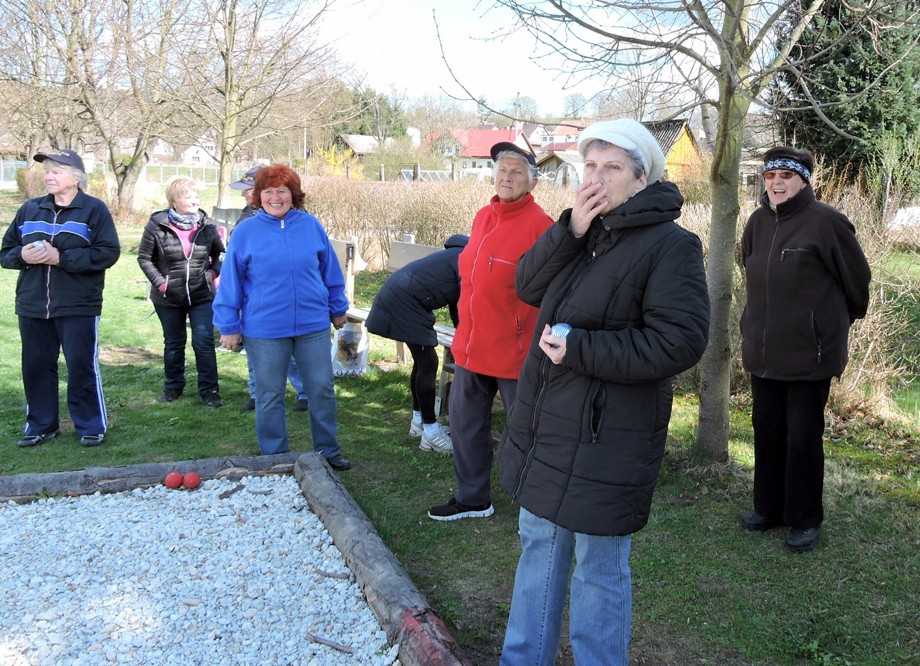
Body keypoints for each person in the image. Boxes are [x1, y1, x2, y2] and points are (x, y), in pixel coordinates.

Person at [498, 119, 710, 665]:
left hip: (606, 440)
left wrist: (583, 349)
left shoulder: (671, 246)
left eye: (612, 167)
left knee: (599, 569)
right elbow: (526, 285)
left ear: (641, 180)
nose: (597, 176)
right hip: (547, 426)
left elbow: (680, 343)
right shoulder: (582, 232)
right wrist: (568, 229)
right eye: (590, 165)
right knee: (538, 553)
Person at [739, 146, 871, 553]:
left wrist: (823, 326)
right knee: (767, 430)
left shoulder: (827, 223)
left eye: (786, 175)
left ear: (803, 180)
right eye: (770, 176)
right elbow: (749, 269)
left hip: (809, 357)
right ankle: (769, 508)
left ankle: (805, 518)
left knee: (802, 438)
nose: (776, 183)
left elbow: (857, 284)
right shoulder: (758, 223)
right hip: (763, 354)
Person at [427, 142, 553, 520]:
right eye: (502, 170)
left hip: (514, 352)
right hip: (471, 345)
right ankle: (473, 498)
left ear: (531, 182)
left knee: (525, 431)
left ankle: (536, 503)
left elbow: (552, 290)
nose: (507, 177)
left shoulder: (541, 227)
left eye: (517, 171)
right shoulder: (484, 216)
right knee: (465, 425)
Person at [212, 164, 351, 470]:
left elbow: (330, 271)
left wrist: (337, 308)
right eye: (269, 191)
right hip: (264, 328)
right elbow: (230, 280)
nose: (276, 197)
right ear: (258, 196)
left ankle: (327, 451)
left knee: (321, 389)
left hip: (312, 325)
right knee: (269, 393)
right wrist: (228, 326)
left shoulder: (311, 226)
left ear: (293, 195)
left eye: (282, 191)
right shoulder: (246, 232)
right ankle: (275, 456)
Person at [0, 148, 121, 448]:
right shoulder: (29, 209)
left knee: (81, 365)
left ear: (75, 178)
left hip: (78, 304)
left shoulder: (94, 210)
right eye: (47, 170)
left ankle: (90, 425)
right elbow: (5, 253)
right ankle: (41, 425)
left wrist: (61, 258)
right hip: (32, 304)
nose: (48, 175)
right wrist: (23, 255)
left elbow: (108, 252)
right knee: (36, 365)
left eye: (56, 170)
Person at [366, 234, 469, 453]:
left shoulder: (455, 255)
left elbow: (456, 301)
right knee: (428, 363)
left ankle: (419, 422)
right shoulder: (466, 258)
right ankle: (431, 432)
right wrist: (466, 332)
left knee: (423, 362)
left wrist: (462, 332)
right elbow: (464, 300)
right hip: (406, 302)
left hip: (401, 297)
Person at [137, 177, 224, 407]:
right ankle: (173, 387)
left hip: (201, 295)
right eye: (188, 196)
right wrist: (161, 283)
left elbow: (220, 256)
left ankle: (210, 391)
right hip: (168, 296)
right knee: (174, 343)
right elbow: (144, 258)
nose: (194, 200)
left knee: (204, 341)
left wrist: (213, 273)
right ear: (174, 200)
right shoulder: (157, 224)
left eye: (196, 196)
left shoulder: (207, 225)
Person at [228, 166, 308, 414]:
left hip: (288, 306)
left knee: (290, 353)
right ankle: (257, 392)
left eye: (247, 189)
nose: (245, 194)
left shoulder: (295, 219)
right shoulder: (247, 219)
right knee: (255, 352)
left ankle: (303, 392)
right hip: (254, 303)